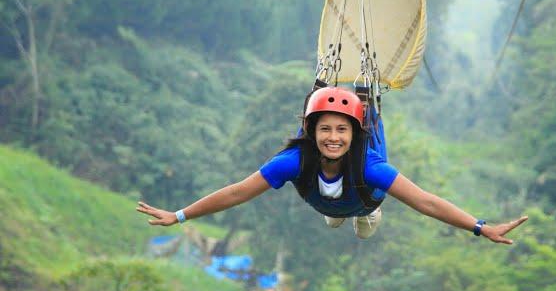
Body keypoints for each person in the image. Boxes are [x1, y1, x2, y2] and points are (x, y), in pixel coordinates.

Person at [137, 86, 528, 243]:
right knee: (332, 211)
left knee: (361, 223)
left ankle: (362, 217)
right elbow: (239, 191)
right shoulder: (293, 161)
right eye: (325, 129)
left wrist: (480, 227)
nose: (334, 137)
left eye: (343, 130)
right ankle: (338, 214)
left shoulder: (368, 164)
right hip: (325, 201)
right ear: (311, 130)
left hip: (364, 201)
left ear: (354, 133)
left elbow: (424, 201)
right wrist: (181, 215)